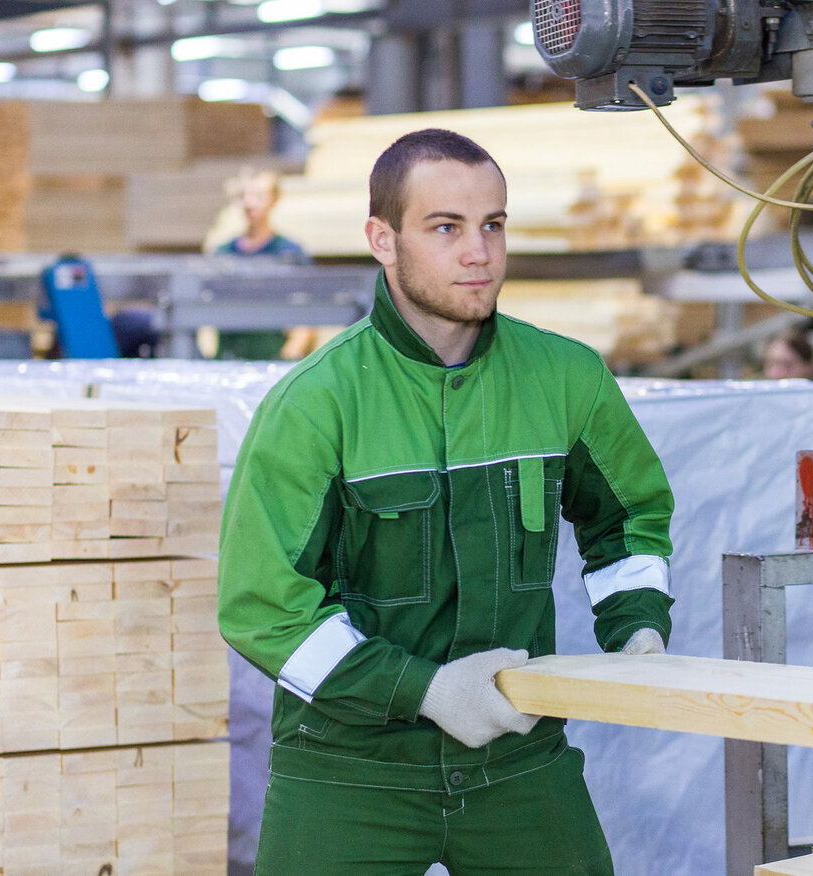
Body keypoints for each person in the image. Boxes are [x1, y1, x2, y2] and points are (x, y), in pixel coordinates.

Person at [217, 129, 675, 874]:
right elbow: (264, 609)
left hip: (518, 767)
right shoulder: (315, 406)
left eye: (493, 224)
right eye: (446, 228)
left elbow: (627, 518)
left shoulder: (566, 378)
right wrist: (423, 690)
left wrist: (637, 627)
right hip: (348, 773)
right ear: (382, 239)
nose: (479, 252)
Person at [215, 169, 310, 360]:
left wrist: (289, 357)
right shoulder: (223, 253)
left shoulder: (290, 253)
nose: (249, 203)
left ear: (274, 199)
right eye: (243, 196)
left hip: (274, 358)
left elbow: (308, 312)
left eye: (258, 196)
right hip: (229, 360)